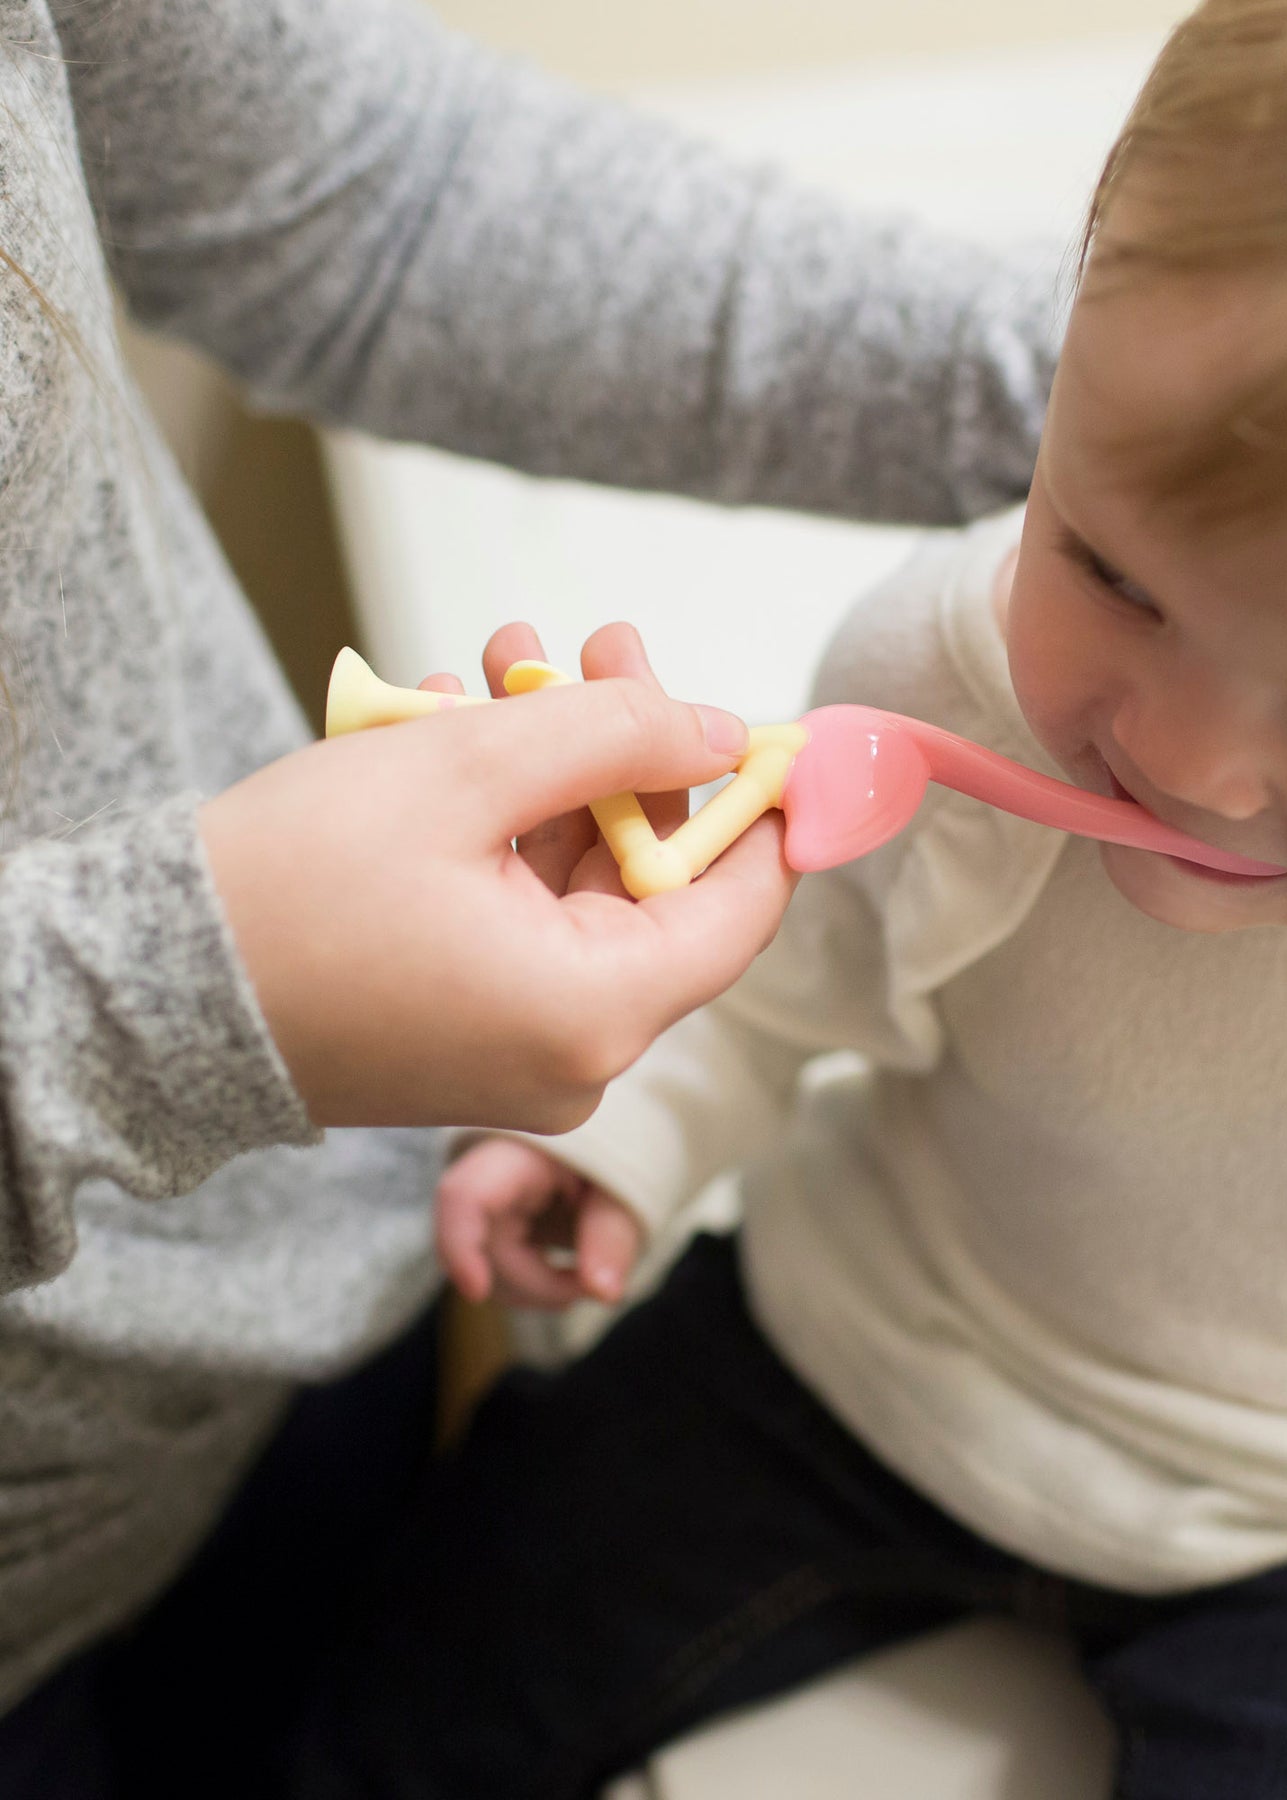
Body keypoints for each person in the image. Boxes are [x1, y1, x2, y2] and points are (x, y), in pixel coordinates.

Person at [318, 1, 1287, 1795]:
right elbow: (795, 963)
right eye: (1108, 566)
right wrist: (625, 1127)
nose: (1172, 750)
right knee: (407, 1655)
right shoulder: (936, 678)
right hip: (877, 1351)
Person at [0, 0, 1058, 1788]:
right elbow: (812, 993)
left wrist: (1157, 410)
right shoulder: (916, 668)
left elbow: (352, 193)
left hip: (295, 1290)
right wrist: (189, 989)